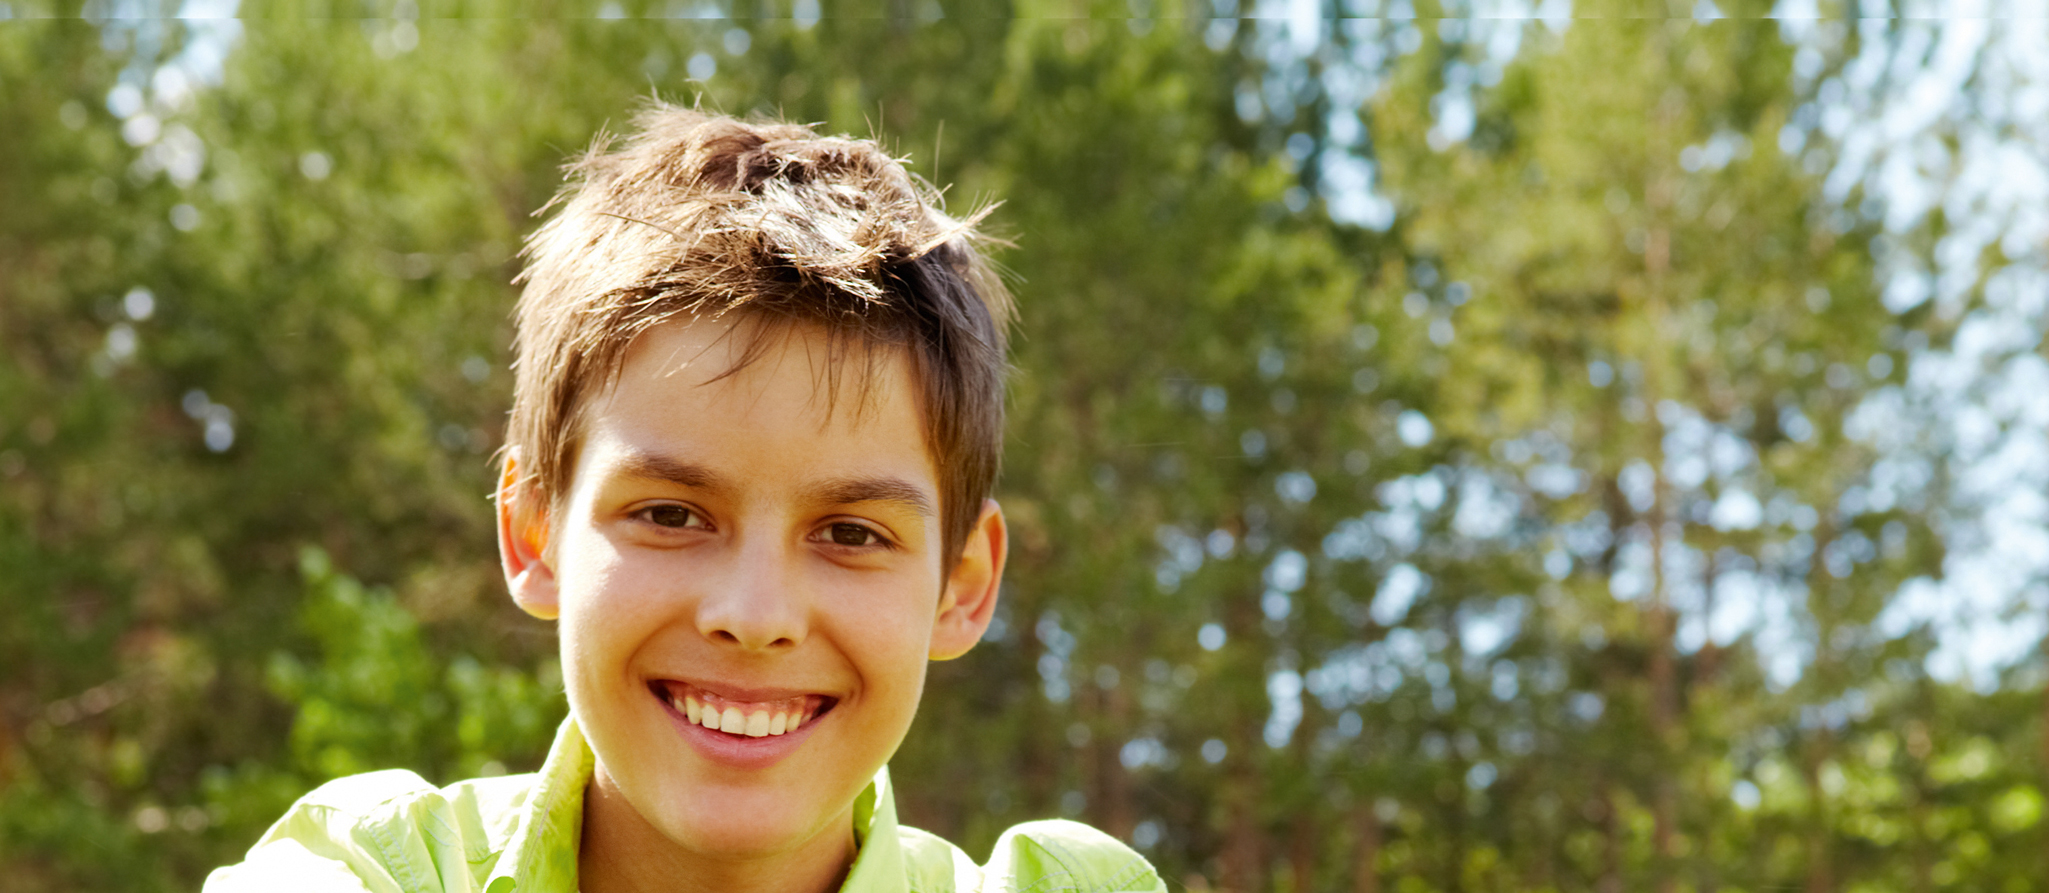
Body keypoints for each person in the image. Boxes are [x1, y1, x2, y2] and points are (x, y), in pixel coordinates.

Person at [203, 105, 1165, 893]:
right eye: (670, 513)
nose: (753, 616)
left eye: (849, 531)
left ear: (962, 580)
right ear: (534, 529)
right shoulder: (368, 870)